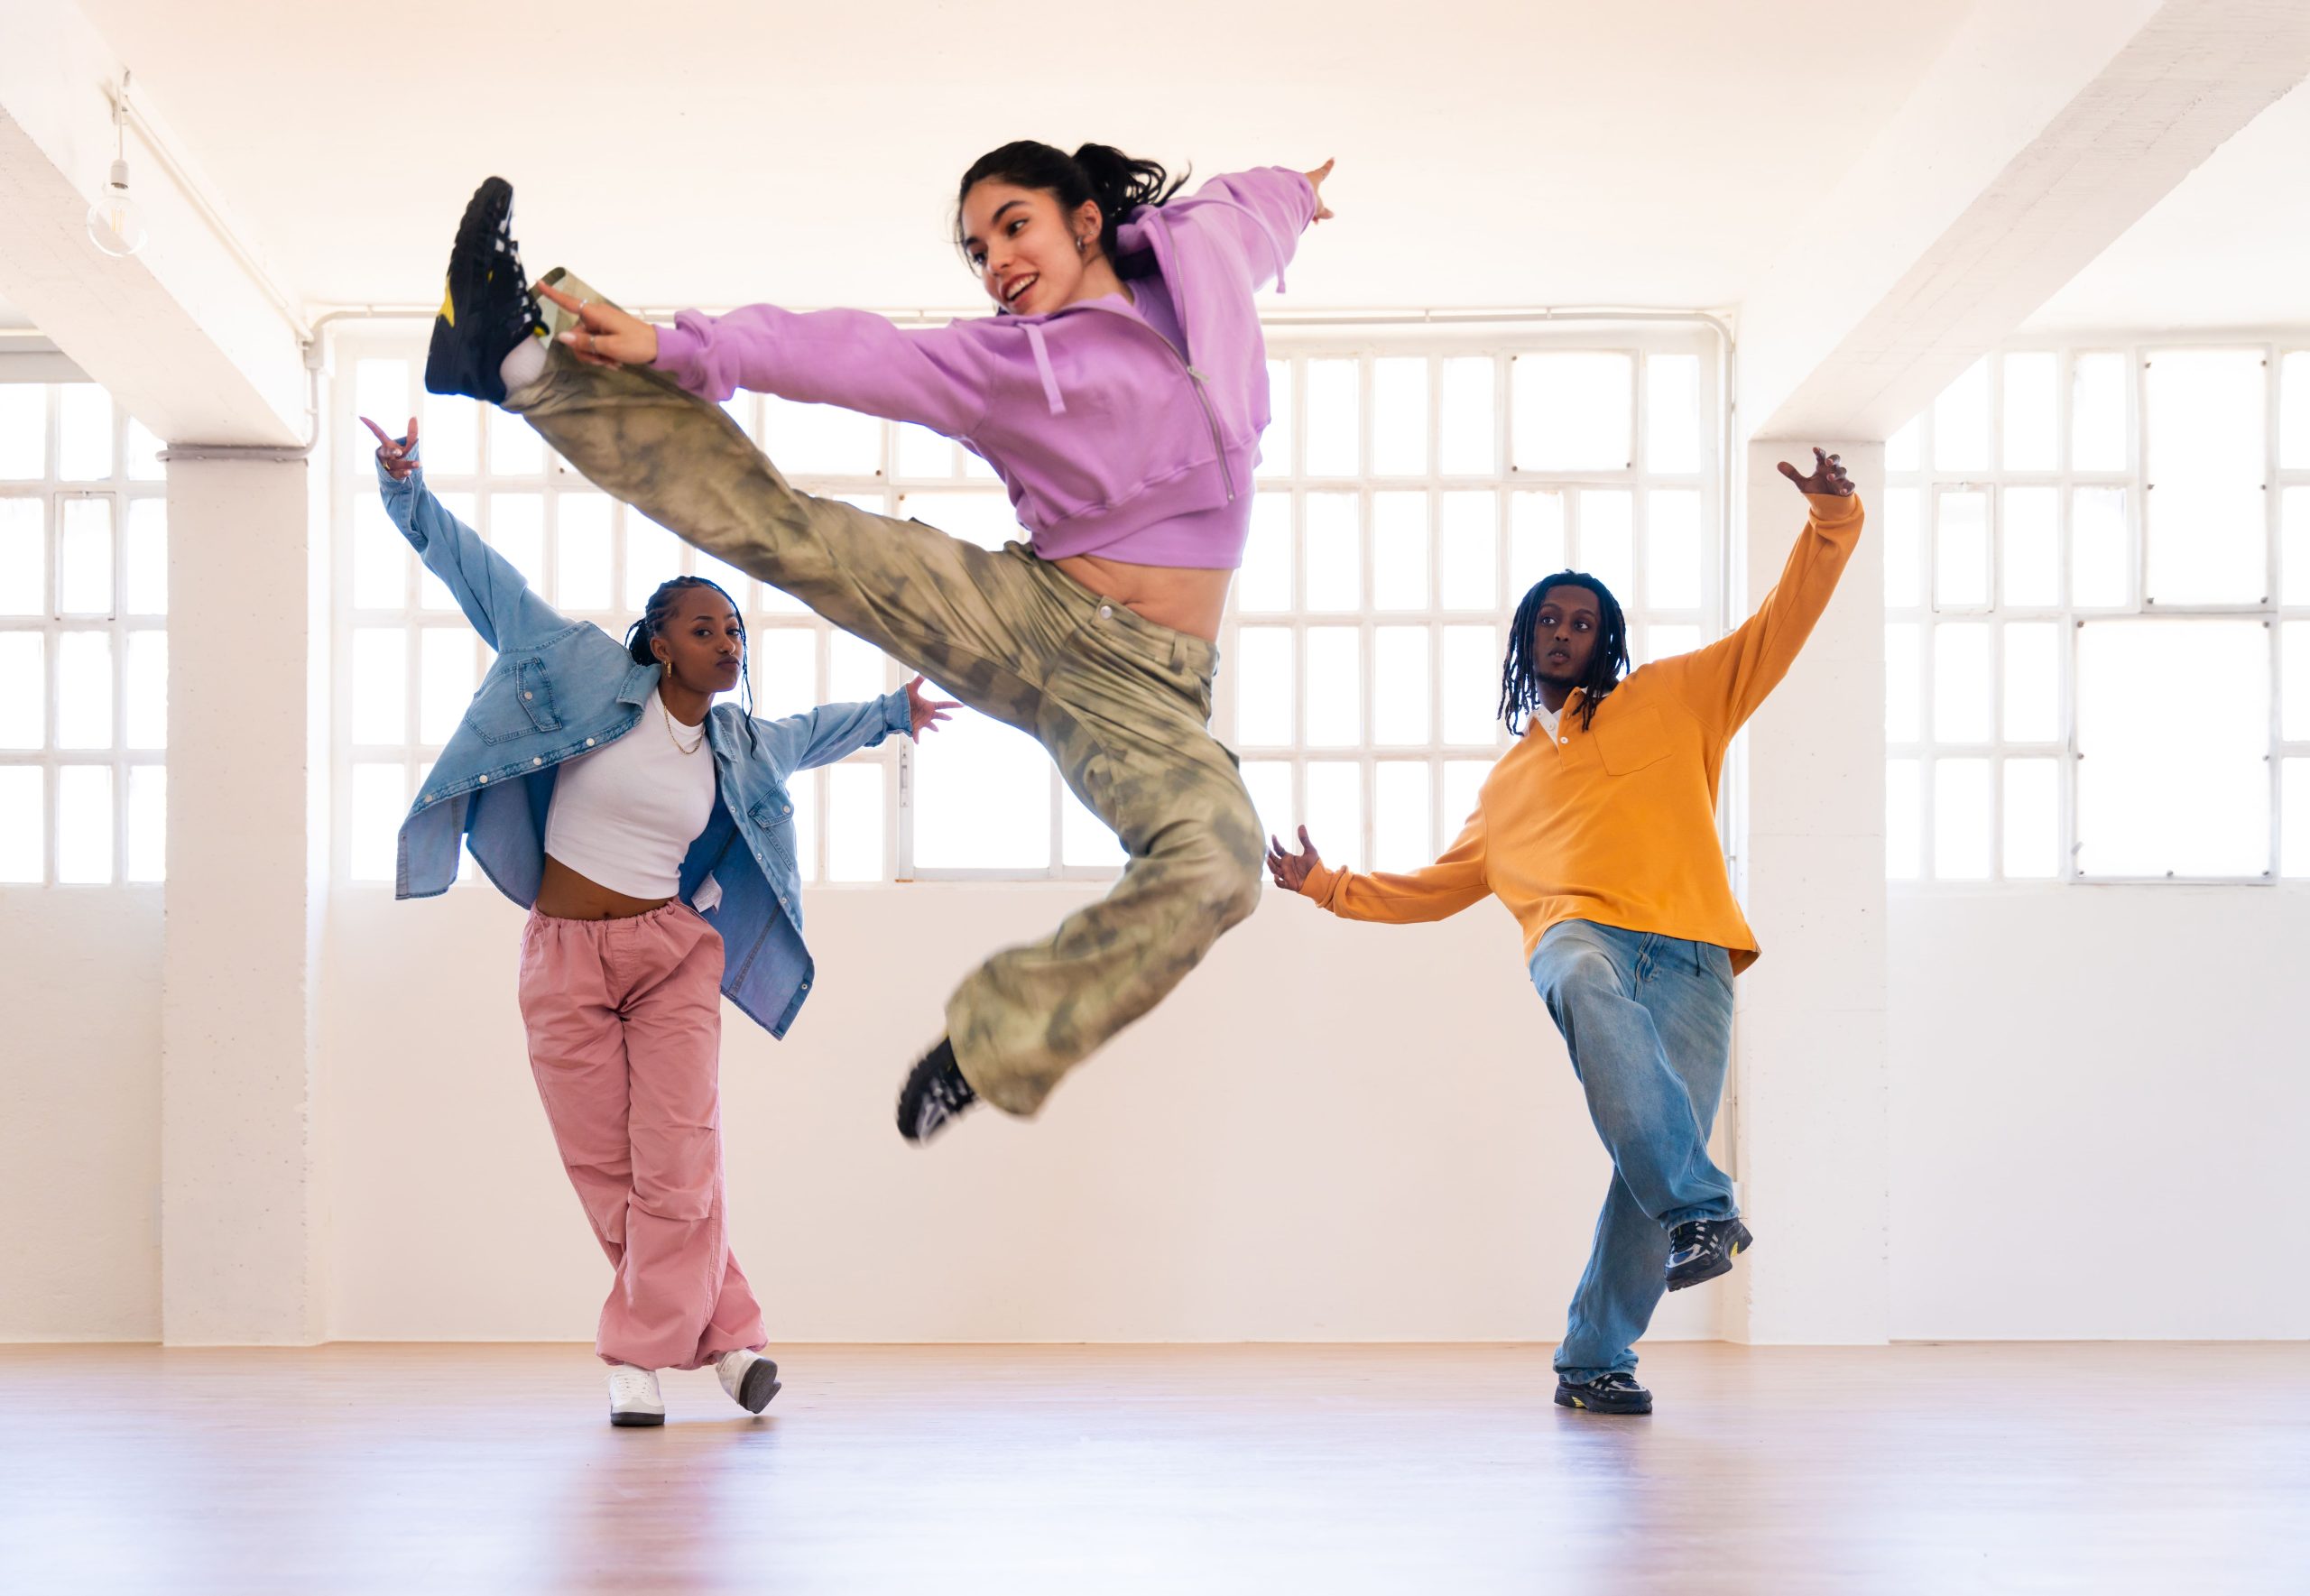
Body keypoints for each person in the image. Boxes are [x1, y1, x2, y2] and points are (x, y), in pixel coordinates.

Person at [419, 143, 1335, 1143]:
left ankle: (991, 1046)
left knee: (1221, 860)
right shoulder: (1006, 365)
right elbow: (853, 354)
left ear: (1083, 220)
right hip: (1031, 613)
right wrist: (686, 348)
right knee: (790, 533)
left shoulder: (1200, 257)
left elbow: (1262, 207)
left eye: (1013, 226)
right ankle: (515, 355)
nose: (996, 263)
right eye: (977, 249)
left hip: (1147, 693)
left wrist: (1303, 195)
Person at [362, 414, 956, 1425]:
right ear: (657, 640)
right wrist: (406, 490)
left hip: (668, 953)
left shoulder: (735, 740)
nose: (725, 642)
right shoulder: (582, 669)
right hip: (561, 956)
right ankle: (728, 1341)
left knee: (678, 1156)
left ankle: (633, 1360)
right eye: (703, 627)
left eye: (733, 631)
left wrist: (892, 713)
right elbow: (483, 580)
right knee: (607, 1168)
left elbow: (812, 732)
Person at [1264, 451, 1863, 1416]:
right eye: (1550, 619)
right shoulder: (1505, 790)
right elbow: (1434, 886)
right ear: (1525, 637)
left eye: (1584, 623)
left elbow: (1777, 628)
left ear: (1605, 640)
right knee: (1586, 985)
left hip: (1695, 952)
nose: (1565, 633)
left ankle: (1593, 1356)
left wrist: (1831, 520)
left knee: (1647, 1158)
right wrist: (1327, 884)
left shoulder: (1675, 697)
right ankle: (1705, 1208)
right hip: (1580, 938)